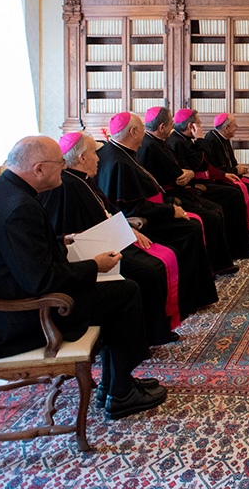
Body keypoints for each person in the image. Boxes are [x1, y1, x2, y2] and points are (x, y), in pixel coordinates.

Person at [0, 136, 166, 420]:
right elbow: (42, 280)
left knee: (121, 289)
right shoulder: (19, 207)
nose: (64, 167)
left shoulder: (2, 192)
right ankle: (121, 393)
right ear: (38, 169)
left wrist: (62, 240)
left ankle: (114, 384)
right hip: (20, 319)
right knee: (125, 293)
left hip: (10, 301)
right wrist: (94, 266)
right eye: (59, 163)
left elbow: (25, 253)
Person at [39, 132, 180, 347]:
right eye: (94, 153)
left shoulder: (85, 179)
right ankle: (153, 334)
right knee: (148, 271)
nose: (99, 158)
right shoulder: (64, 186)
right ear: (82, 158)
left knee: (157, 261)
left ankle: (156, 330)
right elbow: (63, 230)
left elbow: (108, 212)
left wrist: (128, 229)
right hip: (90, 252)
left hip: (110, 240)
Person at [93, 112, 219, 314]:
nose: (145, 132)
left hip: (150, 210)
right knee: (191, 229)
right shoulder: (119, 162)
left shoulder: (119, 152)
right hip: (141, 219)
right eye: (142, 128)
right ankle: (189, 299)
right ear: (133, 132)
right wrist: (170, 210)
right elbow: (132, 208)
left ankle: (195, 294)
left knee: (194, 224)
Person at [138, 107, 249, 268]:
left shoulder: (161, 142)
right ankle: (219, 263)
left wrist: (190, 173)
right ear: (162, 127)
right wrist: (200, 141)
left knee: (224, 202)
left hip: (183, 189)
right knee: (215, 212)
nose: (173, 125)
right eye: (171, 122)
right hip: (173, 194)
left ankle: (234, 250)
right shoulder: (156, 145)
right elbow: (194, 166)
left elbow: (187, 167)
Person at [166, 108, 249, 245]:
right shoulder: (177, 141)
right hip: (192, 186)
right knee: (233, 193)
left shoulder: (184, 139)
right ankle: (238, 243)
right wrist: (200, 139)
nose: (200, 126)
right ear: (191, 126)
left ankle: (242, 237)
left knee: (235, 192)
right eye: (199, 123)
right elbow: (201, 164)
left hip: (200, 180)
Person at [196, 112, 249, 232]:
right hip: (218, 177)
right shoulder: (211, 140)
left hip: (228, 173)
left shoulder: (224, 138)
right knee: (246, 187)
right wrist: (235, 170)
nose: (237, 128)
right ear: (226, 128)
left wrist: (237, 167)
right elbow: (215, 167)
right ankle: (246, 228)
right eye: (235, 125)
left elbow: (231, 160)